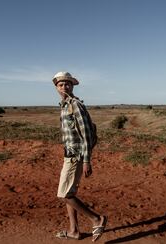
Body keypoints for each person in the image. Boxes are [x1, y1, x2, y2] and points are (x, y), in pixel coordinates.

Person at [52, 71, 107, 241]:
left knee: (64, 195)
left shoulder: (75, 104)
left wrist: (86, 160)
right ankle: (74, 231)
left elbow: (87, 134)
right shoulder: (64, 105)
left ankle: (96, 219)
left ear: (72, 86)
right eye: (60, 85)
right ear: (56, 87)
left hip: (76, 157)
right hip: (69, 155)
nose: (64, 87)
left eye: (67, 84)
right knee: (70, 192)